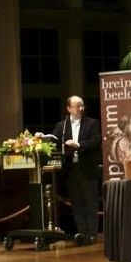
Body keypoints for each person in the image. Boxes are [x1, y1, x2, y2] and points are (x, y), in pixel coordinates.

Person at [52, 95, 102, 246]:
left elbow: (96, 141)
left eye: (82, 105)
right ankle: (82, 233)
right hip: (70, 169)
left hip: (86, 168)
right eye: (77, 106)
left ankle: (92, 234)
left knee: (90, 203)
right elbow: (54, 141)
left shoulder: (92, 123)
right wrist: (43, 137)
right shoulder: (62, 126)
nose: (81, 108)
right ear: (69, 109)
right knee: (77, 204)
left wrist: (78, 145)